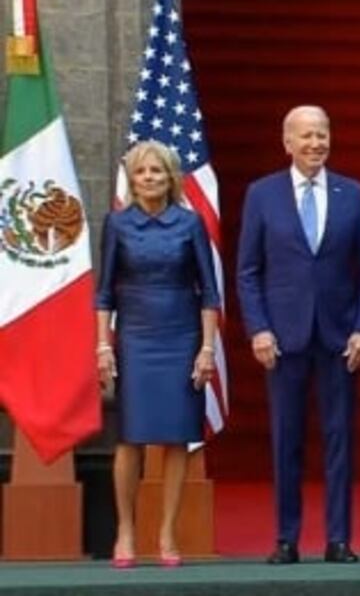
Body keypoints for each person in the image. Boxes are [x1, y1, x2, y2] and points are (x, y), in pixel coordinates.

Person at [236, 105, 360, 565]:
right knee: (287, 439)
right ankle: (286, 538)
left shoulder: (352, 194)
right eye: (307, 136)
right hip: (283, 336)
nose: (316, 143)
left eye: (322, 135)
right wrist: (258, 328)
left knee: (340, 439)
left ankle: (338, 538)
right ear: (287, 143)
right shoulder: (263, 195)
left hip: (340, 338)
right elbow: (248, 271)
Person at [95, 140, 220, 568]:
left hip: (182, 337)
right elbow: (104, 292)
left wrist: (206, 349)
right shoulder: (117, 224)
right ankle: (125, 531)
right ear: (131, 179)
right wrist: (102, 346)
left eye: (156, 171)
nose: (148, 178)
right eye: (140, 172)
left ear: (171, 177)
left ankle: (167, 532)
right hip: (135, 339)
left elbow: (209, 291)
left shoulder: (190, 224)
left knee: (175, 437)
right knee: (130, 438)